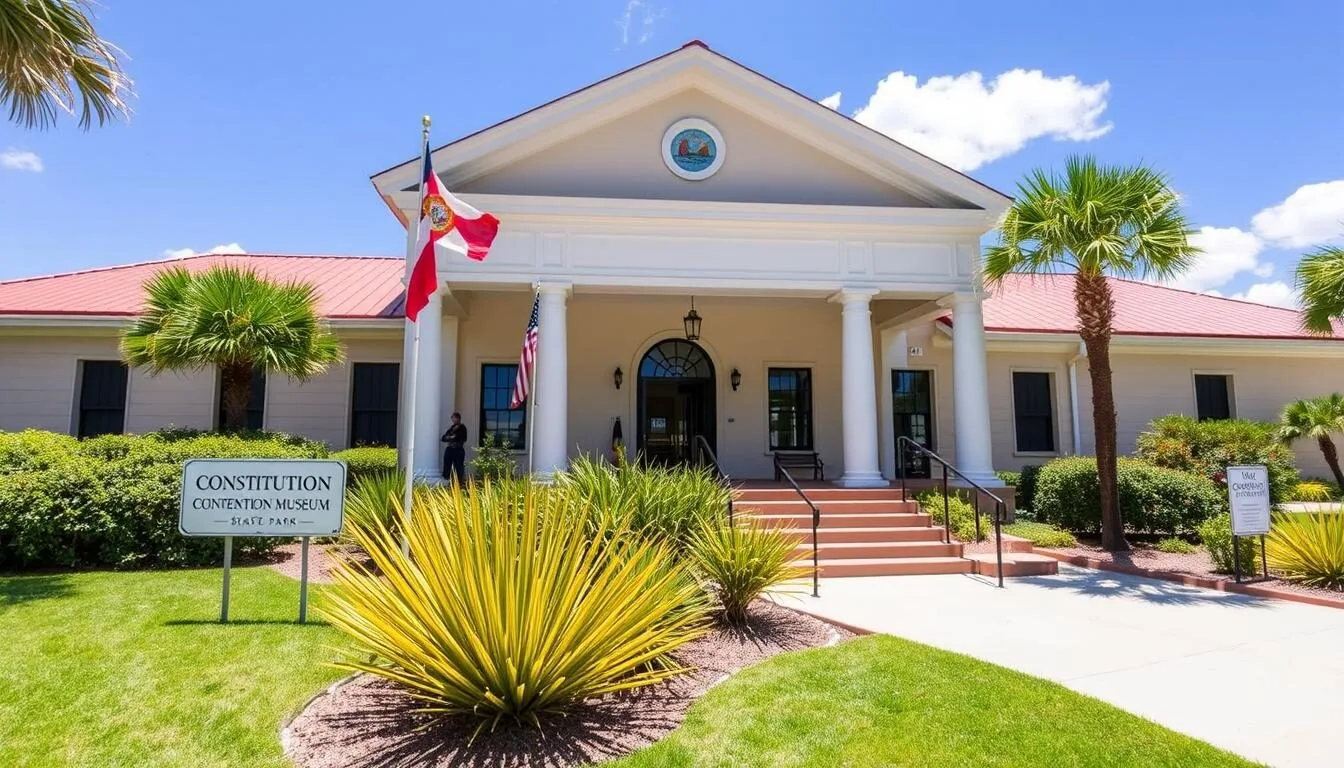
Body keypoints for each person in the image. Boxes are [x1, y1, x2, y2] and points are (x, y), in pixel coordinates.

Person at [441, 412, 467, 486]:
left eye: (453, 417)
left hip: (458, 450)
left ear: (457, 418)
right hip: (450, 449)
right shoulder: (452, 428)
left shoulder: (462, 427)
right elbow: (443, 438)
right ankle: (446, 482)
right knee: (447, 466)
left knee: (458, 467)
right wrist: (451, 437)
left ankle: (459, 484)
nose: (452, 419)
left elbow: (462, 438)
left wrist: (450, 437)